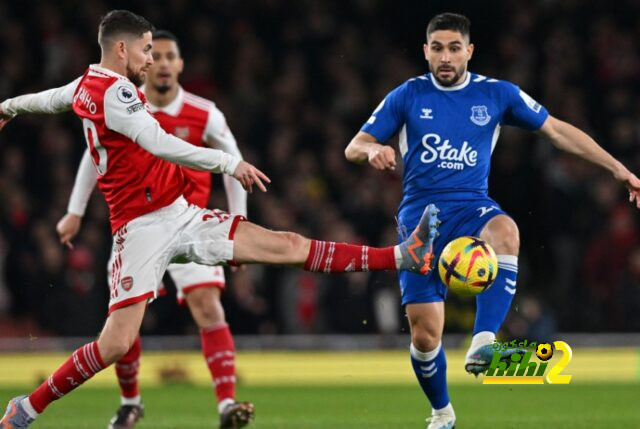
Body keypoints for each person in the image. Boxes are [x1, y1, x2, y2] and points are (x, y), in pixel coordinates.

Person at [0, 10, 440, 429]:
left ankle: (403, 256)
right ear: (121, 49)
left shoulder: (85, 84)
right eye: (147, 51)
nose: (151, 60)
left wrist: (8, 106)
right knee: (114, 343)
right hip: (139, 229)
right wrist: (228, 164)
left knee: (285, 245)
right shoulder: (114, 92)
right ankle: (27, 407)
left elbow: (48, 99)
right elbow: (160, 143)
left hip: (181, 212)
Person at [344, 12, 640, 429]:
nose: (445, 57)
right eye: (437, 48)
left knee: (506, 231)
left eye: (453, 48)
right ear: (425, 52)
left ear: (469, 51)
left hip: (471, 206)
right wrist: (371, 151)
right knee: (425, 336)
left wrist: (617, 168)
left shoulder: (496, 95)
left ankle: (483, 344)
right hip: (421, 219)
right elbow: (353, 145)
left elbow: (556, 130)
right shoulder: (407, 95)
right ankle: (442, 413)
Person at [55, 29, 253, 429]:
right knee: (125, 324)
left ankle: (227, 404)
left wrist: (239, 219)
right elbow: (92, 156)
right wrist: (74, 211)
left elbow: (235, 164)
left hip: (190, 225)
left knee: (208, 306)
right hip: (139, 227)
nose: (161, 63)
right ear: (145, 62)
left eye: (169, 57)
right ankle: (131, 402)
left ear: (180, 65)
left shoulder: (205, 113)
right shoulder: (128, 104)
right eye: (155, 55)